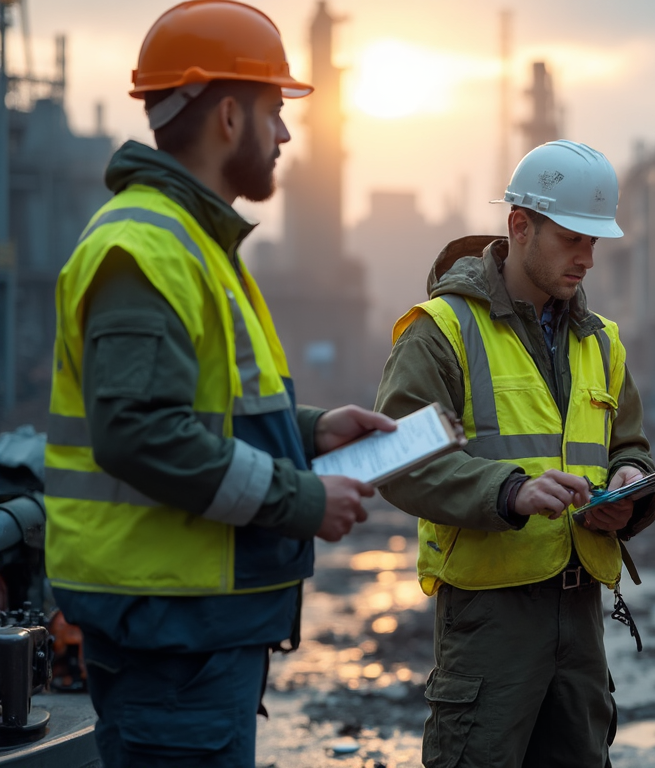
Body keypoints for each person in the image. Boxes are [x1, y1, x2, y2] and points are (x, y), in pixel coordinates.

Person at [43, 2, 396, 765]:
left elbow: (211, 410)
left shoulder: (195, 241)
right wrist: (301, 498)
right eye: (274, 112)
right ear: (229, 117)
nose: (286, 135)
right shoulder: (145, 246)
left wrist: (313, 432)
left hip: (194, 631)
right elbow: (139, 431)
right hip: (168, 635)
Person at [375, 139, 655, 768]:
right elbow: (394, 459)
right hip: (489, 620)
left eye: (595, 242)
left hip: (581, 613)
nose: (587, 258)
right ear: (519, 226)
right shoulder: (443, 330)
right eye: (571, 239)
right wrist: (510, 491)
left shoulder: (602, 340)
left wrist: (631, 486)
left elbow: (628, 445)